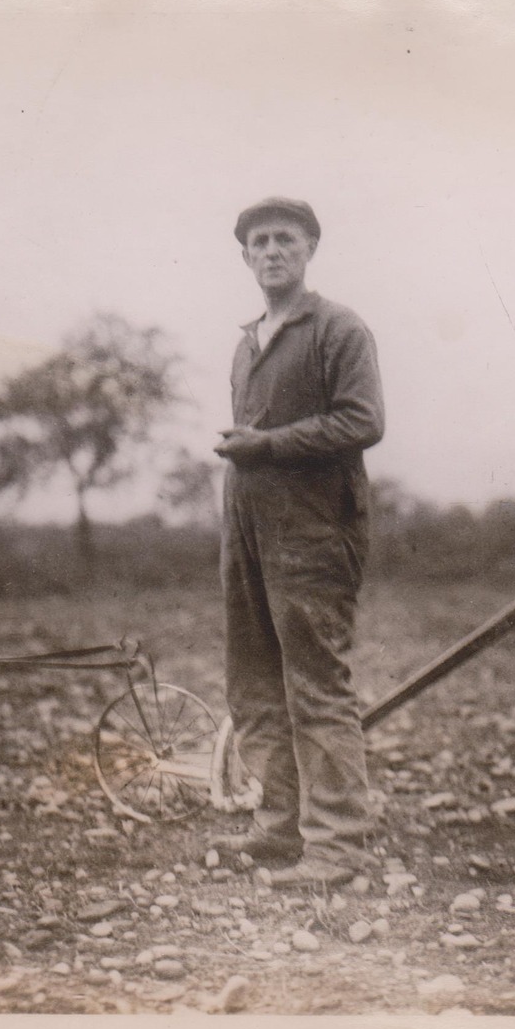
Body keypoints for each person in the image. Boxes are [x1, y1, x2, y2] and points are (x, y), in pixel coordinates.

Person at [208, 197, 385, 888]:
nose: (272, 250)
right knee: (252, 682)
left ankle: (338, 845)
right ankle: (278, 827)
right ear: (245, 256)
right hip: (248, 530)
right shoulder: (247, 340)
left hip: (313, 533)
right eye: (259, 241)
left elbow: (363, 420)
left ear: (309, 248)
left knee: (315, 683)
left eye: (285, 239)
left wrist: (268, 445)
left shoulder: (337, 328)